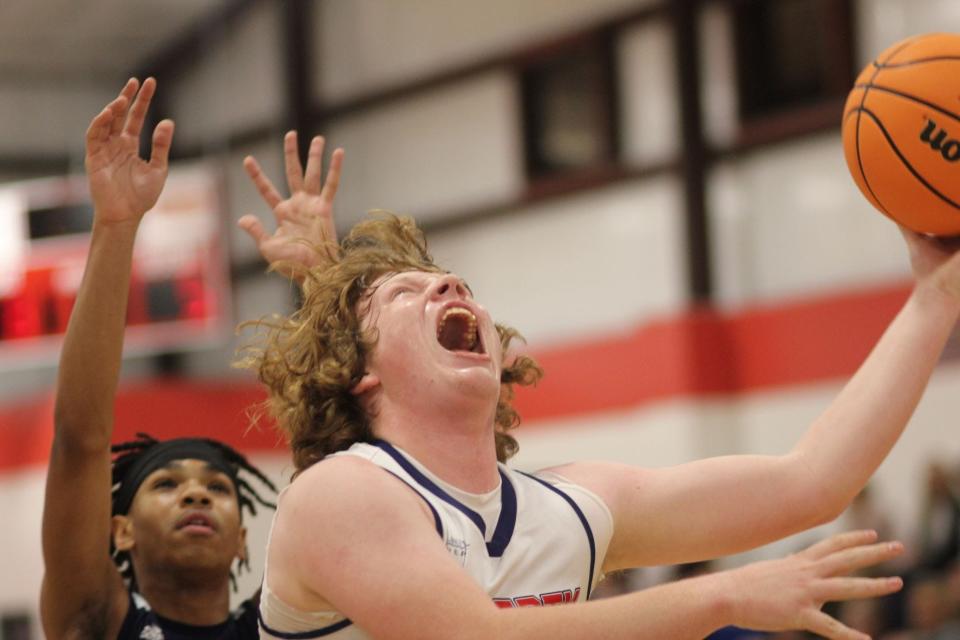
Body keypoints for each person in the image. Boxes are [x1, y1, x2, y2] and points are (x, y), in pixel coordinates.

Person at [234, 112, 960, 638]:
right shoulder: (338, 495)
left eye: (455, 283)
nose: (448, 289)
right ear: (360, 376)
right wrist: (725, 596)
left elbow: (813, 482)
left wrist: (936, 297)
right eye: (407, 292)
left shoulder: (569, 507)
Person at [38, 77, 339, 640]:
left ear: (245, 540)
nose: (197, 494)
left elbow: (358, 471)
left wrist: (323, 278)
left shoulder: (288, 626)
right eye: (167, 485)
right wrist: (116, 225)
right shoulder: (96, 618)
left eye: (218, 489)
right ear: (120, 532)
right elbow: (79, 441)